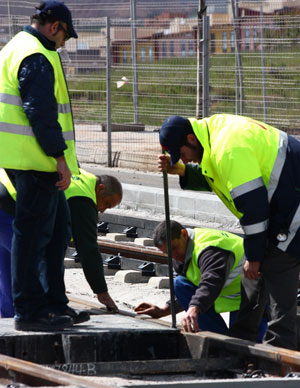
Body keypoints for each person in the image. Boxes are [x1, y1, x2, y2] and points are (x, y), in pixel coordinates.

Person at [158, 114, 300, 350]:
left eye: (182, 154)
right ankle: (244, 346)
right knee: (252, 279)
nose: (183, 159)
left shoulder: (227, 148)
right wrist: (184, 172)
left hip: (291, 205)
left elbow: (253, 209)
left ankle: (280, 359)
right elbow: (222, 177)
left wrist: (254, 258)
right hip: (281, 203)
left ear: (191, 140)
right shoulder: (213, 134)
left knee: (276, 267)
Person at [0, 1, 79, 331]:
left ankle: (54, 304)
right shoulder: (34, 55)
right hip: (35, 162)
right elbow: (41, 113)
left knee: (57, 231)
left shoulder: (16, 47)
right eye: (65, 36)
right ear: (54, 26)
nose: (64, 43)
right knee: (32, 237)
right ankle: (30, 310)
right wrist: (59, 158)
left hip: (32, 161)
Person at [0, 168, 122, 318]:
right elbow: (88, 249)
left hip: (6, 193)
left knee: (8, 267)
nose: (102, 210)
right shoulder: (83, 198)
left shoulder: (81, 178)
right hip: (11, 205)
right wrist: (101, 291)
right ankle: (41, 313)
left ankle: (10, 317)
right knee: (33, 264)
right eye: (107, 204)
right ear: (101, 188)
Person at [135, 220, 249, 336]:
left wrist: (194, 307)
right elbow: (191, 286)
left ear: (184, 234)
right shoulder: (182, 252)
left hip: (251, 293)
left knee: (246, 345)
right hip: (227, 292)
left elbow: (211, 281)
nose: (173, 256)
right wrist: (164, 310)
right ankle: (216, 340)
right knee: (180, 284)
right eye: (167, 253)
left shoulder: (208, 249)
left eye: (174, 248)